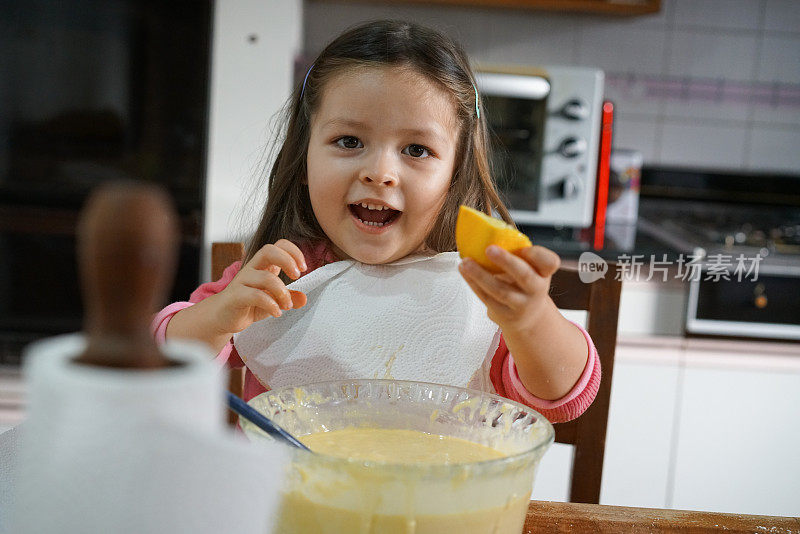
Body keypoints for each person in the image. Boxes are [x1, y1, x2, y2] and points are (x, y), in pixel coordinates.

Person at [152, 20, 599, 423]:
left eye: (417, 150)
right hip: (295, 507)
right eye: (349, 141)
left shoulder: (482, 281)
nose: (379, 172)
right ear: (304, 155)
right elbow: (156, 359)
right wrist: (218, 317)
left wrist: (530, 319)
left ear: (456, 171)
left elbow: (561, 397)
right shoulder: (281, 273)